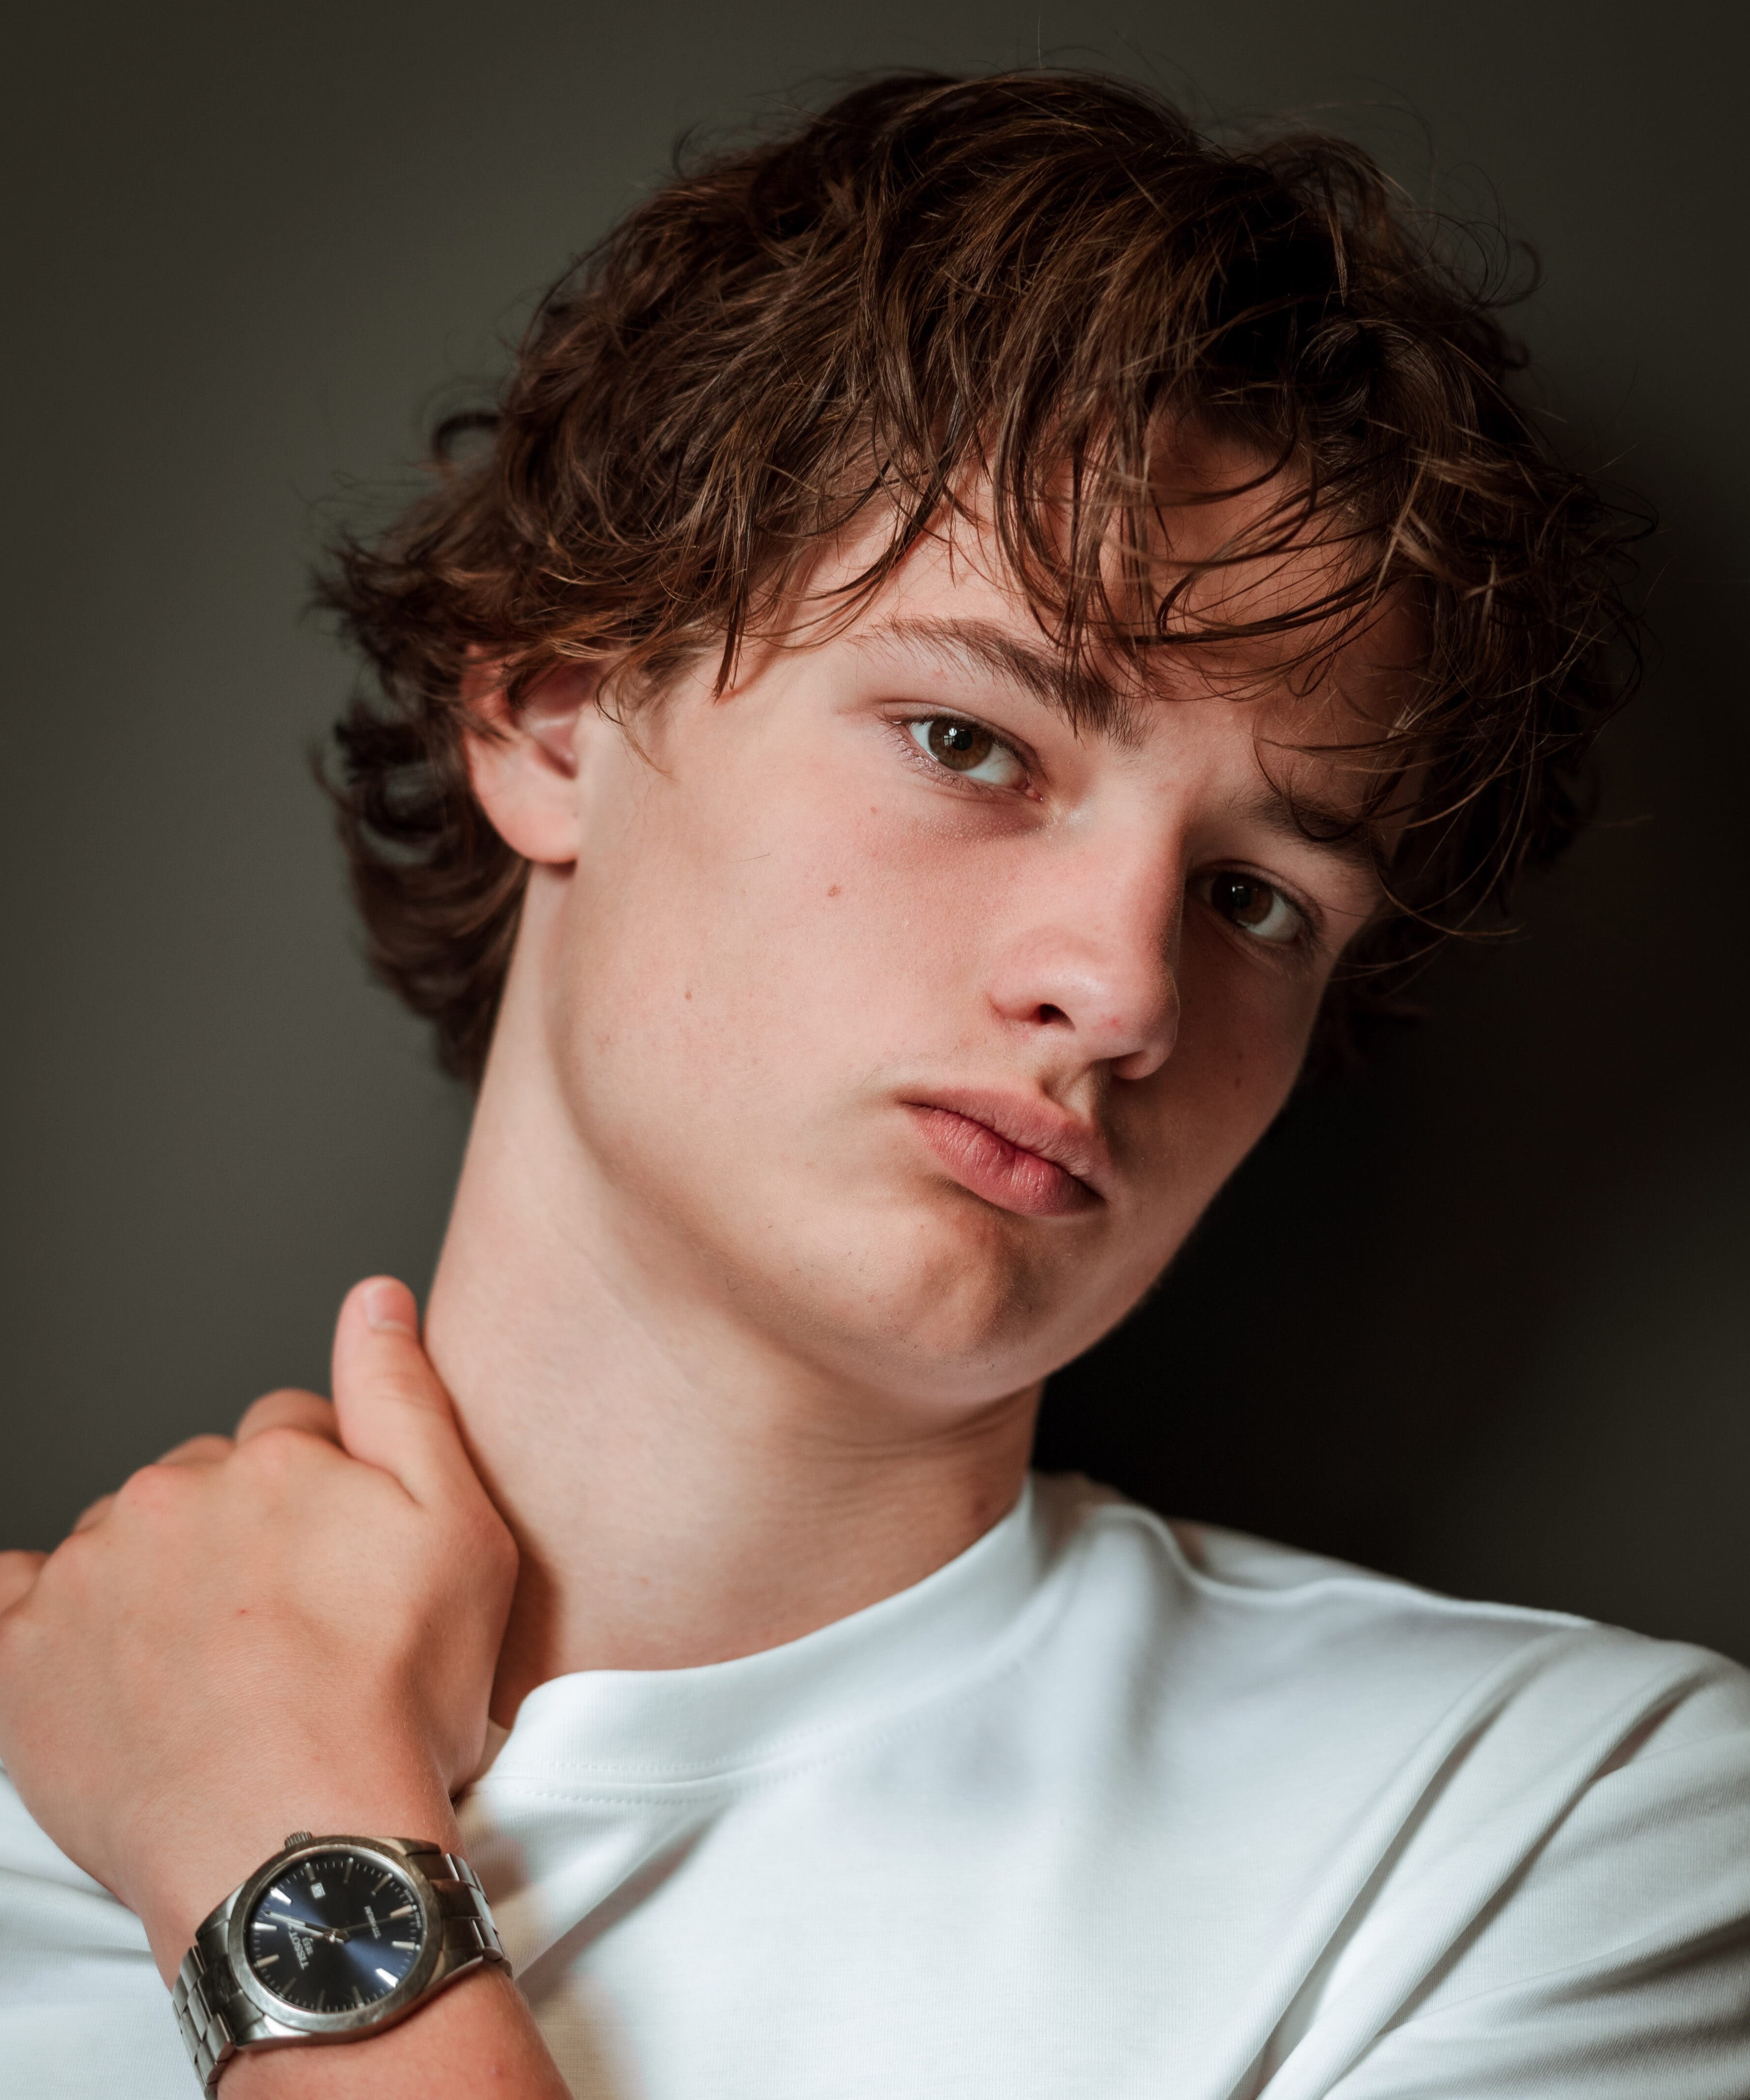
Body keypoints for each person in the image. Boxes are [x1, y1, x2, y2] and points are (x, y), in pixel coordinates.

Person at [1, 68, 1745, 2100]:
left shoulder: (1534, 1842)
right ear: (557, 714)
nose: (1120, 992)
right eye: (969, 744)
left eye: (1255, 902)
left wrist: (270, 1829)